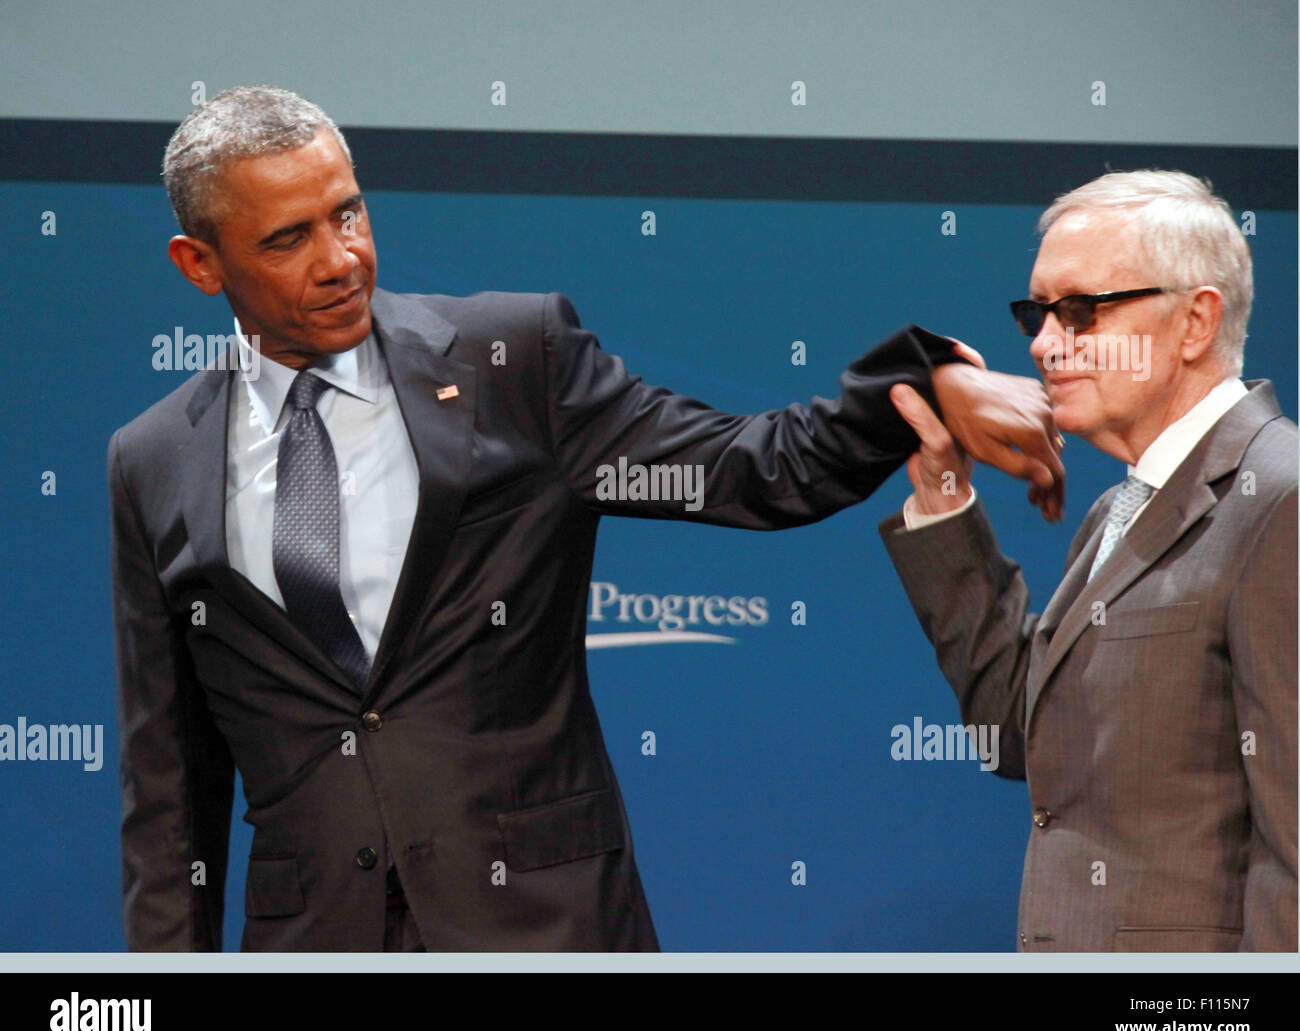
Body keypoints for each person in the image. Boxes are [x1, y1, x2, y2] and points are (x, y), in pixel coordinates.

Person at [110, 85, 1064, 951]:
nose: (341, 259)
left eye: (348, 213)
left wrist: (920, 385)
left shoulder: (508, 363)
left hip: (543, 928)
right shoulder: (154, 460)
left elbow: (750, 467)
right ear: (200, 263)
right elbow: (169, 791)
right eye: (288, 239)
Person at [879, 169, 1297, 951]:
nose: (1042, 344)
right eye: (1036, 313)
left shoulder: (1281, 501)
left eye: (1079, 310)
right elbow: (1016, 730)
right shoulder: (1122, 510)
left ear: (1194, 323)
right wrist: (943, 500)